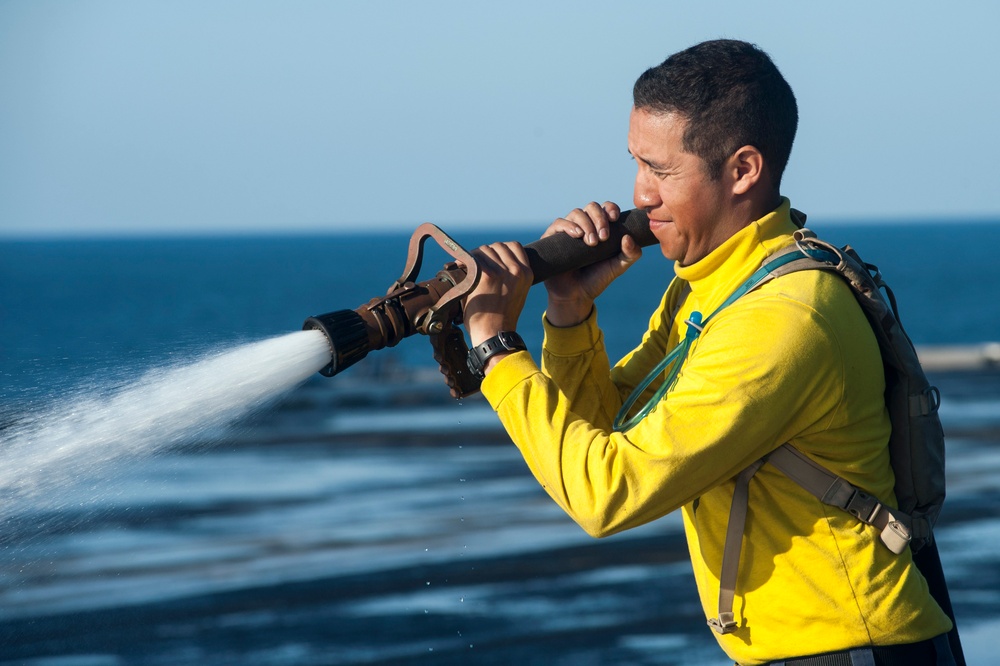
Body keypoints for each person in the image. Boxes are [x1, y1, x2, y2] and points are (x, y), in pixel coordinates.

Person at [460, 39, 956, 665]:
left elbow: (608, 494)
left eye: (662, 172)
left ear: (743, 169)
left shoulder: (781, 319)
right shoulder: (712, 286)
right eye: (637, 164)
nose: (640, 195)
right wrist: (568, 312)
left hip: (850, 649)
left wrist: (496, 348)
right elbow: (610, 427)